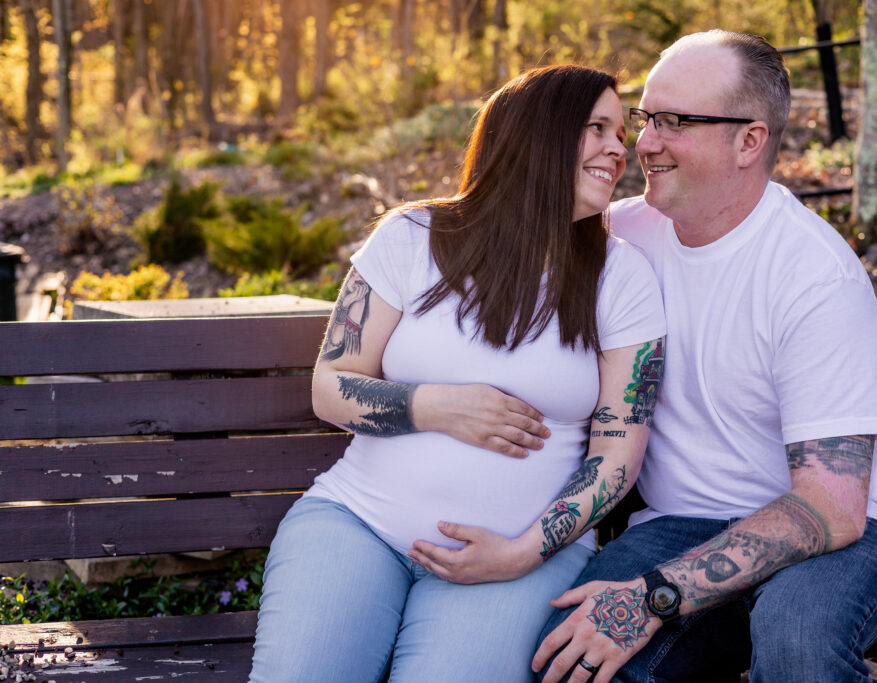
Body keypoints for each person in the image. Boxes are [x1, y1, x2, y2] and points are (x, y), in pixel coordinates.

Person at [248, 64, 666, 683]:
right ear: (538, 135)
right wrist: (436, 407)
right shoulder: (412, 237)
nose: (619, 146)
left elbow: (615, 456)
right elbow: (331, 386)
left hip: (521, 560)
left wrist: (520, 554)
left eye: (619, 131)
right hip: (360, 527)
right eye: (597, 128)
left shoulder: (621, 277)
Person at [532, 31, 877, 683]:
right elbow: (507, 237)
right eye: (646, 117)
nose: (645, 141)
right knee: (568, 656)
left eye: (675, 122)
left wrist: (655, 594)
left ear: (750, 141)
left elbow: (831, 505)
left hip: (837, 533)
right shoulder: (622, 235)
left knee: (796, 647)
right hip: (681, 521)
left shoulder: (815, 278)